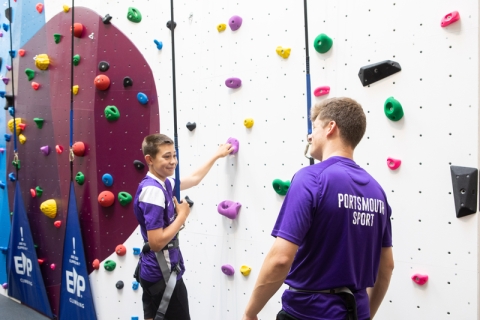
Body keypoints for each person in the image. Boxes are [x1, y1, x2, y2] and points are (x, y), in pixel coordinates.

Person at [242, 97, 394, 320]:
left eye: (314, 128)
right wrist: (365, 315)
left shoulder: (311, 179)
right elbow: (386, 266)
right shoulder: (377, 191)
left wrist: (250, 312)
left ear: (331, 127)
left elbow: (280, 260)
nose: (310, 136)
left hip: (308, 314)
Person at [133, 133, 232, 320]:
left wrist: (216, 155)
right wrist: (182, 216)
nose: (173, 162)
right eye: (166, 156)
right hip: (162, 275)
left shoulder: (163, 183)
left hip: (155, 272)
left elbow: (194, 178)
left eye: (174, 155)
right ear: (150, 159)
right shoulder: (153, 191)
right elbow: (156, 242)